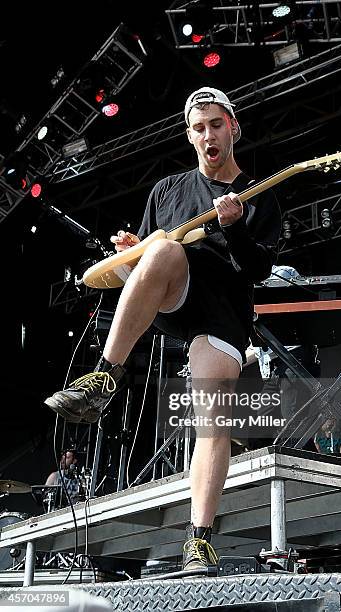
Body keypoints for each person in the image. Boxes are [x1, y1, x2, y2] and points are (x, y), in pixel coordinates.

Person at [44, 87, 281, 570]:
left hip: (223, 312)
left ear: (233, 127)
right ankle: (105, 376)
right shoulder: (167, 190)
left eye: (217, 124)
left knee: (211, 421)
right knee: (164, 250)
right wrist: (134, 252)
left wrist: (234, 226)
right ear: (189, 136)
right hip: (175, 297)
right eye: (199, 128)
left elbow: (257, 271)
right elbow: (152, 256)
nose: (209, 135)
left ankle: (199, 540)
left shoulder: (259, 194)